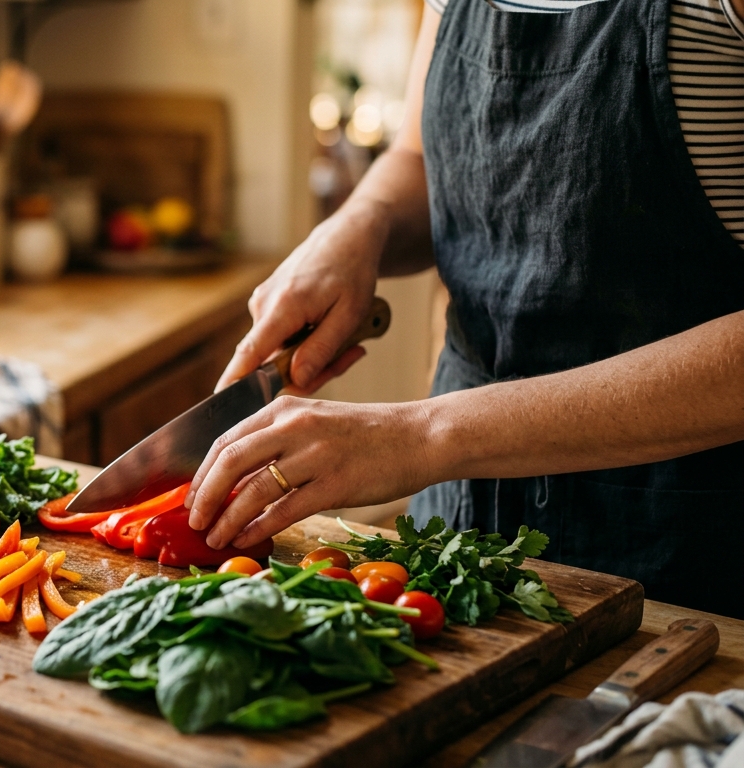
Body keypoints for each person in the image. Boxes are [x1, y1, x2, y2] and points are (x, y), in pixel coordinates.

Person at [185, 0, 744, 618]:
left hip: (693, 557)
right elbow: (421, 157)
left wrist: (424, 434)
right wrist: (360, 225)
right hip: (459, 534)